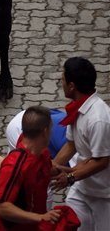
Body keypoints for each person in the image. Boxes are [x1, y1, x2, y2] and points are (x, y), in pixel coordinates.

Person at [51, 57, 110, 231]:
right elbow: (72, 145)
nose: (60, 83)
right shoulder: (78, 108)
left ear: (71, 86)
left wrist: (70, 177)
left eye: (62, 79)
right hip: (82, 189)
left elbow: (101, 161)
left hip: (104, 195)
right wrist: (52, 166)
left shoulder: (98, 119)